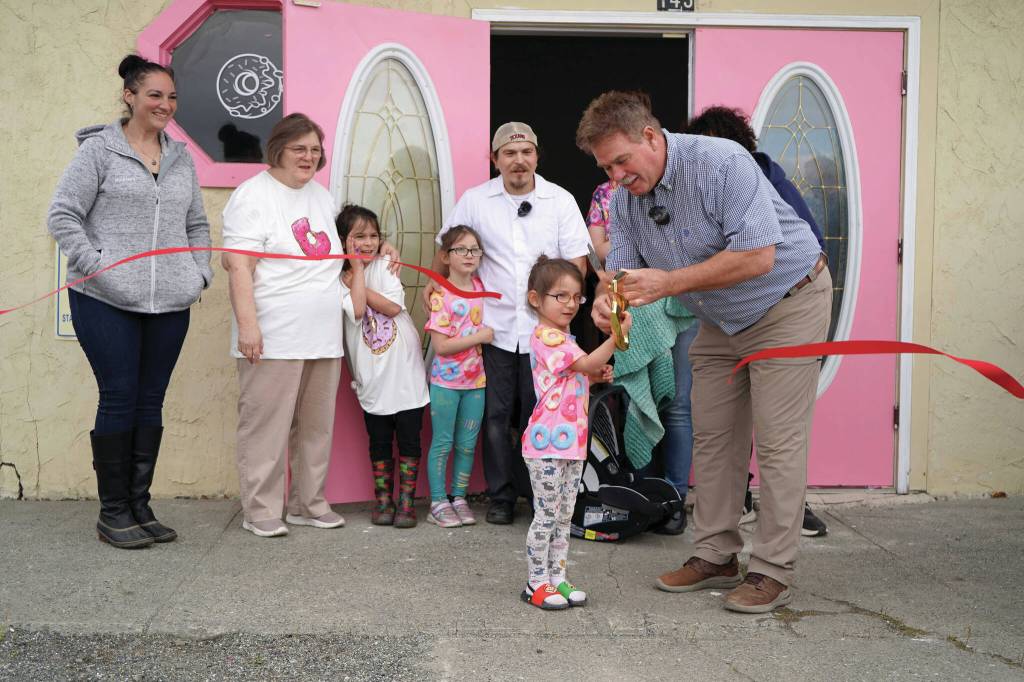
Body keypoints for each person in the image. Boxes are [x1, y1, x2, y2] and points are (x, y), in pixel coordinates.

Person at [577, 91, 830, 613]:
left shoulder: (723, 163)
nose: (616, 176)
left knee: (779, 444)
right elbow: (621, 274)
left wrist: (669, 281)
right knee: (714, 436)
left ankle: (772, 570)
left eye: (621, 160)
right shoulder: (623, 201)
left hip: (787, 301)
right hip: (718, 317)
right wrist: (608, 302)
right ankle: (716, 554)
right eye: (606, 167)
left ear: (650, 135)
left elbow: (759, 257)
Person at [47, 54, 213, 549]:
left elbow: (197, 225)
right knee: (119, 395)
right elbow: (62, 216)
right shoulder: (98, 151)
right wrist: (97, 265)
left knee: (150, 399)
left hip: (169, 303)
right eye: (155, 95)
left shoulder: (181, 158)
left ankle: (140, 506)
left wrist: (197, 274)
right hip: (104, 299)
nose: (165, 104)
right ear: (130, 96)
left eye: (171, 96)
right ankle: (113, 511)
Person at [424, 122, 591, 525]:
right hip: (492, 330)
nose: (519, 161)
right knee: (496, 417)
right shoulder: (475, 200)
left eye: (526, 152)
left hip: (545, 335)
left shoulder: (560, 200)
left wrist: (566, 312)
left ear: (537, 155)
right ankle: (500, 496)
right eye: (509, 154)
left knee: (541, 415)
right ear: (495, 159)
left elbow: (577, 265)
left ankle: (540, 499)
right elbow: (446, 253)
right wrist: (436, 301)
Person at [684, 105, 829, 538]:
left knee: (777, 435)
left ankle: (781, 532)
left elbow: (808, 243)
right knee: (717, 431)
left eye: (721, 149)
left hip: (782, 311)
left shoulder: (764, 178)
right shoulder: (690, 186)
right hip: (722, 318)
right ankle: (716, 541)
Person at [222, 113, 347, 538]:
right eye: (299, 149)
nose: (308, 157)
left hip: (323, 335)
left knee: (316, 427)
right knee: (266, 426)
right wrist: (248, 326)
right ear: (278, 149)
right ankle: (260, 510)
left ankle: (307, 504)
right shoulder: (252, 195)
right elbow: (238, 266)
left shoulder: (322, 196)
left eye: (314, 150)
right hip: (274, 334)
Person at [586, 178, 696, 535]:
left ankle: (675, 498)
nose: (620, 170)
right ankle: (643, 495)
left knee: (679, 403)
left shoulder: (682, 189)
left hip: (683, 305)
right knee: (634, 396)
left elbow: (690, 250)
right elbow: (602, 252)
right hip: (631, 301)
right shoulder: (606, 193)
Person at [520, 256, 629, 610]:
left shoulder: (565, 338)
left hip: (570, 443)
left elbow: (574, 374)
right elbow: (582, 363)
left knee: (565, 516)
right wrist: (615, 337)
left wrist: (594, 376)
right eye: (560, 296)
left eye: (575, 297)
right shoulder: (547, 336)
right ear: (536, 299)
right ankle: (535, 582)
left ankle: (558, 579)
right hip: (547, 445)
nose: (570, 304)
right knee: (547, 515)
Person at [336, 204, 430, 529]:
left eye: (374, 235)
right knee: (378, 441)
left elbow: (391, 307)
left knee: (409, 439)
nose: (368, 242)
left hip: (405, 374)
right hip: (372, 379)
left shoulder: (387, 263)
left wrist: (361, 275)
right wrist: (355, 272)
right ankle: (383, 500)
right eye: (358, 236)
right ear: (343, 240)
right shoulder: (338, 277)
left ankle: (406, 502)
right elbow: (359, 310)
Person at [424, 226, 491, 527]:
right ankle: (438, 501)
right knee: (443, 442)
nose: (468, 255)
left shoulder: (481, 288)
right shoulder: (441, 295)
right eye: (460, 249)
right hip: (445, 385)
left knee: (467, 444)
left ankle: (459, 497)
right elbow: (441, 346)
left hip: (476, 383)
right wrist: (480, 337)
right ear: (445, 257)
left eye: (474, 249)